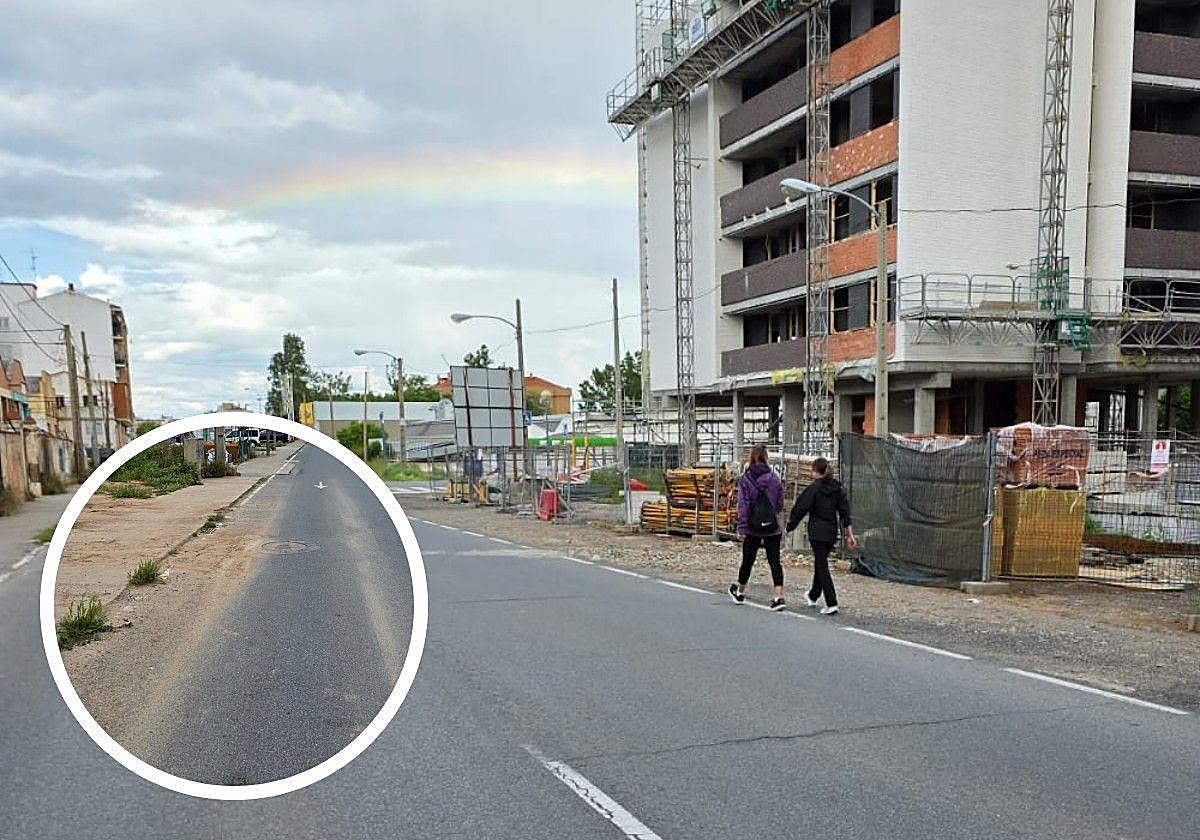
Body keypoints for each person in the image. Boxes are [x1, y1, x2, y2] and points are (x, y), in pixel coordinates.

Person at [786, 456, 857, 615]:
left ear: (815, 472)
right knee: (821, 562)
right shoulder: (837, 488)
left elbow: (800, 508)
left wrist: (790, 526)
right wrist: (850, 534)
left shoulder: (814, 489)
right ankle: (813, 595)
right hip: (831, 533)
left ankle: (831, 602)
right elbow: (845, 511)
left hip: (817, 533)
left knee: (822, 566)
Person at [729, 445, 787, 611]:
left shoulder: (745, 479)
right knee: (774, 561)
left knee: (748, 559)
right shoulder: (774, 478)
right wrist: (771, 515)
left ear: (751, 458)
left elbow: (743, 506)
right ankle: (778, 596)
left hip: (753, 527)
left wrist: (742, 527)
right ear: (766, 458)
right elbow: (780, 503)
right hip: (772, 526)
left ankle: (740, 591)